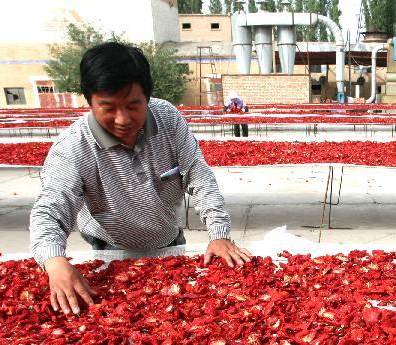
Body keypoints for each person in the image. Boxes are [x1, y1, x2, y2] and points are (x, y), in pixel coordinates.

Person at [30, 42, 251, 315]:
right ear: (89, 102)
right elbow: (51, 208)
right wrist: (54, 262)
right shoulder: (73, 148)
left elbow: (198, 174)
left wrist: (219, 234)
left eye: (133, 105)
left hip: (168, 241)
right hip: (109, 249)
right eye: (108, 108)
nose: (123, 119)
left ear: (147, 96)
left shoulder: (167, 119)